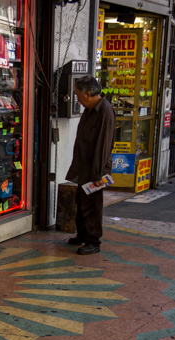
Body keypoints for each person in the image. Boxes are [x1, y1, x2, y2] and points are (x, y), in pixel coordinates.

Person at [66, 75, 116, 255]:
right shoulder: (90, 109)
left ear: (88, 94)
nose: (77, 99)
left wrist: (97, 177)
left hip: (94, 170)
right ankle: (83, 235)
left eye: (78, 95)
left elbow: (103, 147)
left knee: (92, 206)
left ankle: (93, 241)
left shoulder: (104, 112)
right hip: (84, 167)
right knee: (81, 203)